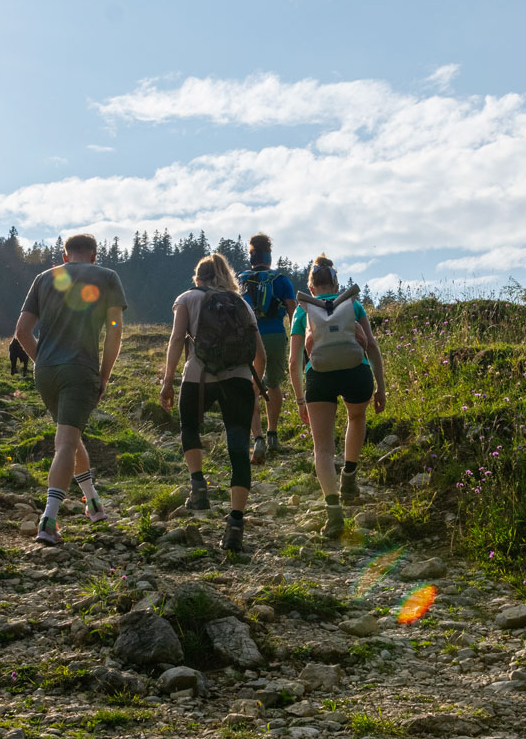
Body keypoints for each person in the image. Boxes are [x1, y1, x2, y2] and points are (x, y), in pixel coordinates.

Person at [14, 233, 127, 545]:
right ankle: (48, 520)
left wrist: (44, 361)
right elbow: (115, 331)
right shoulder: (107, 277)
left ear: (65, 257)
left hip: (46, 372)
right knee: (65, 442)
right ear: (93, 255)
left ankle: (92, 503)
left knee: (69, 436)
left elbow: (22, 332)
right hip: (80, 369)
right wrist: (104, 375)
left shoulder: (44, 278)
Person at [160, 252, 267, 554]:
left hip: (198, 377)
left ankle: (198, 485)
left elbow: (176, 338)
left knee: (189, 427)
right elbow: (261, 354)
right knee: (237, 450)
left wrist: (168, 380)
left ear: (198, 276)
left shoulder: (188, 298)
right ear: (226, 276)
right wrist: (253, 386)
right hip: (239, 381)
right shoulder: (242, 303)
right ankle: (235, 524)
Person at [289, 255, 386, 541]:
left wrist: (299, 399)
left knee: (323, 448)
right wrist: (381, 387)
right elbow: (371, 345)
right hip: (357, 372)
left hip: (319, 377)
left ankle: (333, 514)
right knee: (356, 417)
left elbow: (294, 359)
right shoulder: (352, 304)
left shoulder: (303, 309)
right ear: (335, 281)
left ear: (311, 284)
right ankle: (349, 478)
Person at [237, 233, 298, 465]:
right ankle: (273, 434)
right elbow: (293, 311)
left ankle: (258, 438)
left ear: (252, 256)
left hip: (251, 337)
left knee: (251, 385)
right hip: (275, 335)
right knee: (273, 383)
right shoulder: (281, 280)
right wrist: (295, 338)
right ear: (269, 255)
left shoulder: (241, 278)